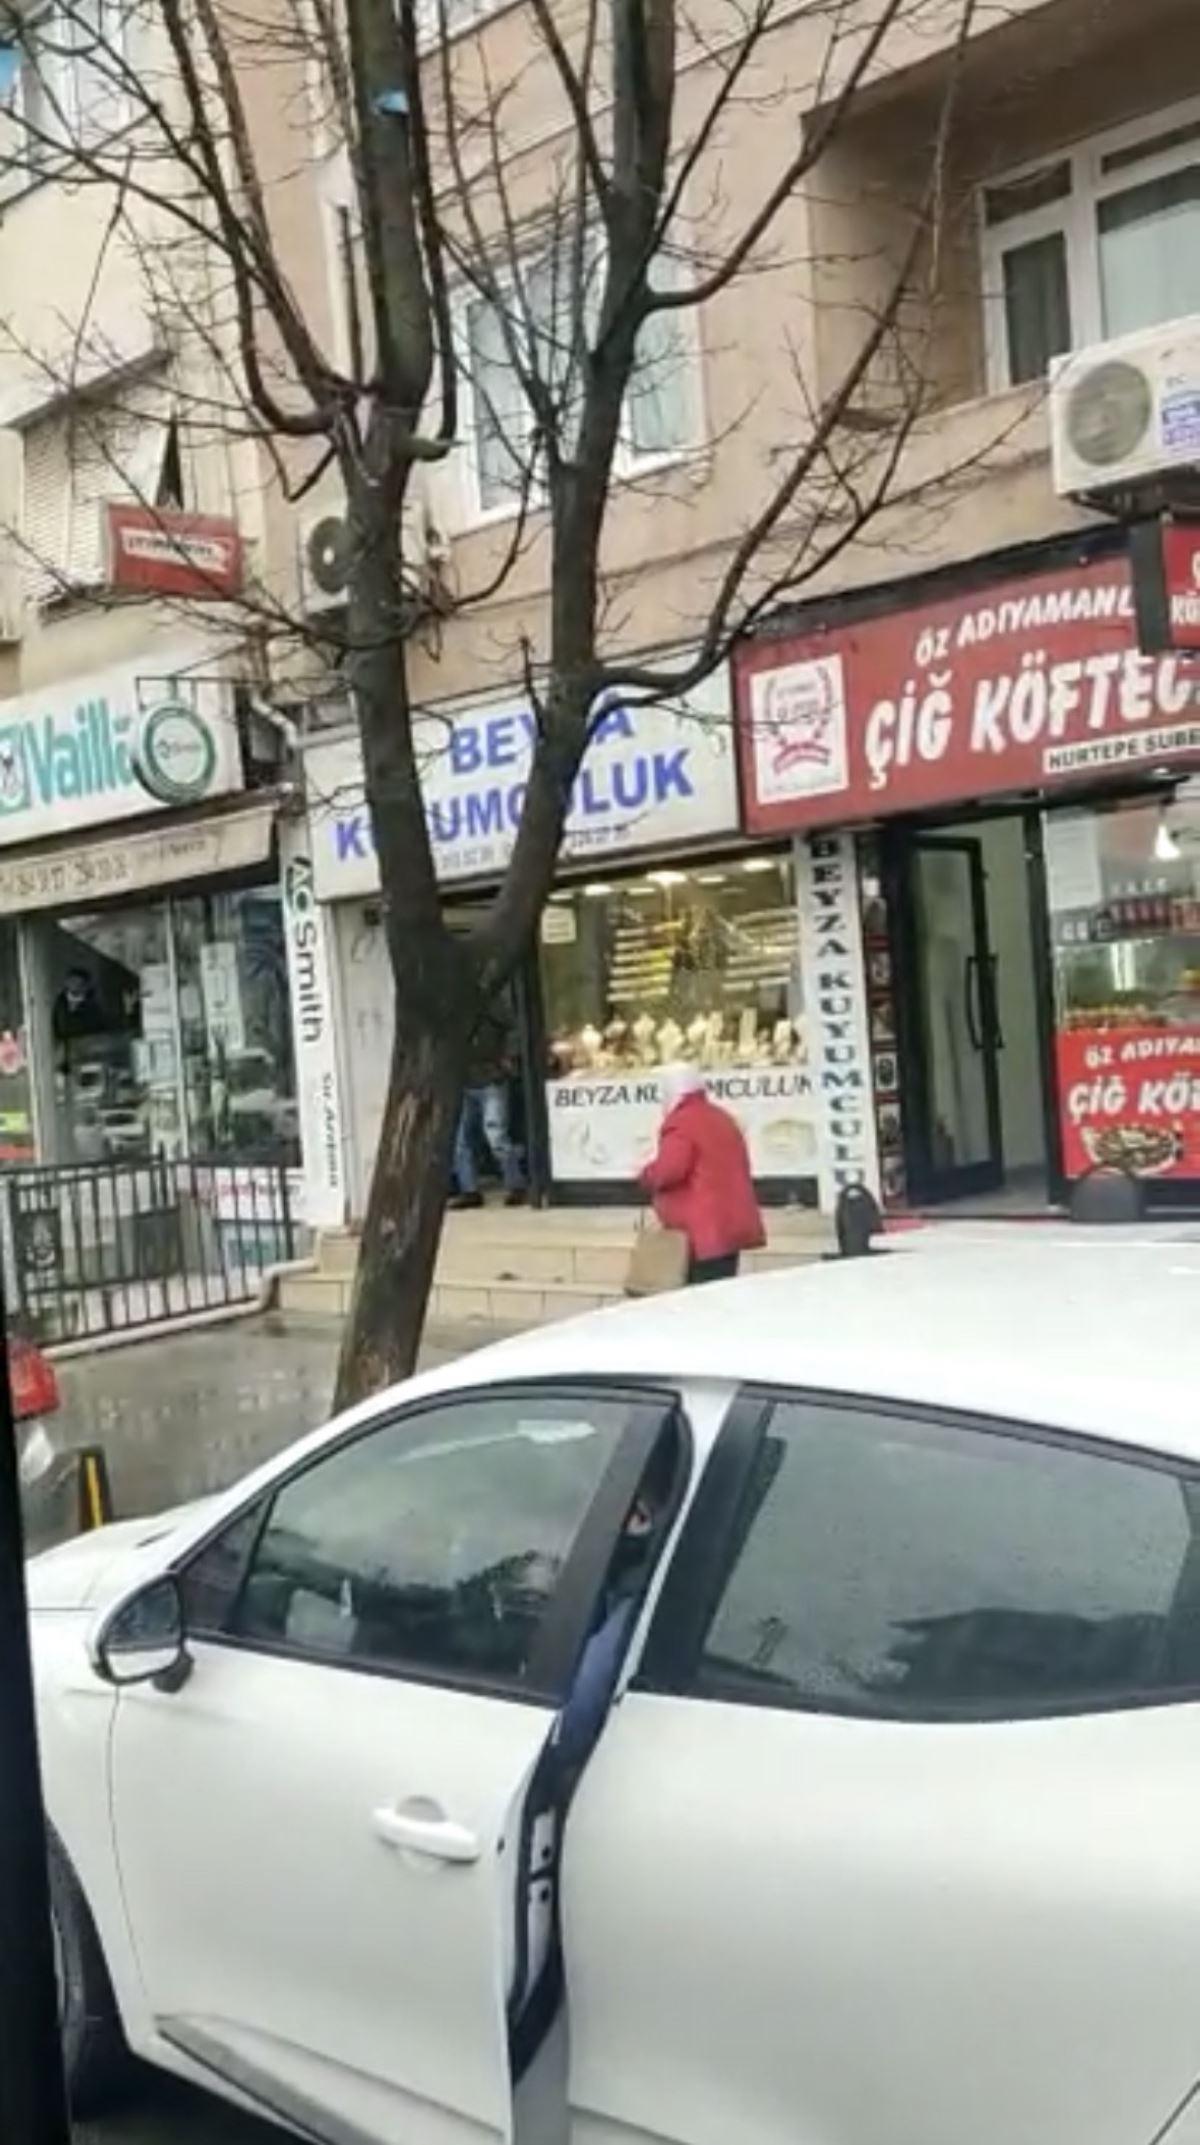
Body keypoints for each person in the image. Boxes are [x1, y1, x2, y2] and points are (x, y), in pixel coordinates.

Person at [639, 1063, 765, 1284]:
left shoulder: (681, 1122)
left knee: (698, 1293)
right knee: (721, 1288)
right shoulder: (722, 1117)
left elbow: (669, 1170)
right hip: (729, 1226)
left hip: (701, 1231)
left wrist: (646, 1174)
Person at [449, 1001, 526, 1210]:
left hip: (490, 1079)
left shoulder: (489, 1005)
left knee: (495, 1136)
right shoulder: (454, 1008)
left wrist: (506, 1060)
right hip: (466, 1081)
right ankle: (469, 1190)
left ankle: (515, 1184)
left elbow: (514, 1029)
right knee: (461, 1141)